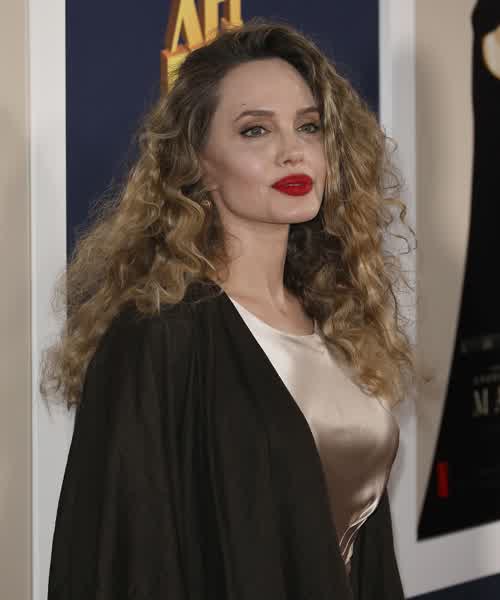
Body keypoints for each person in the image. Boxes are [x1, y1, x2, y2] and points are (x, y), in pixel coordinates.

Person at [41, 17, 414, 600]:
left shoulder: (333, 316)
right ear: (198, 162)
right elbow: (122, 562)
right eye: (255, 131)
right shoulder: (157, 337)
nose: (293, 151)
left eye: (309, 126)